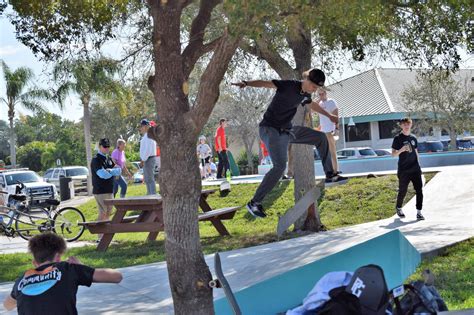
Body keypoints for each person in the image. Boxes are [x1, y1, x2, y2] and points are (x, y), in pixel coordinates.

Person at [232, 68, 347, 218]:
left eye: (317, 88)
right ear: (306, 80)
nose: (314, 90)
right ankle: (254, 202)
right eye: (313, 86)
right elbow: (265, 84)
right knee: (280, 166)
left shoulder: (305, 95)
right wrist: (246, 83)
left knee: (320, 138)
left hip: (287, 130)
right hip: (270, 129)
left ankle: (330, 174)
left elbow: (311, 104)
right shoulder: (288, 85)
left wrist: (329, 116)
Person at [3, 232, 122, 315]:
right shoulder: (68, 269)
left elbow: (8, 306)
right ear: (58, 257)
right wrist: (82, 267)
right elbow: (116, 276)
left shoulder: (22, 280)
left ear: (35, 262)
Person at [391, 118, 424, 220]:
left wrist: (419, 166)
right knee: (403, 190)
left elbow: (416, 153)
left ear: (411, 125)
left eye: (408, 124)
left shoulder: (413, 138)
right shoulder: (397, 138)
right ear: (401, 126)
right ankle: (399, 207)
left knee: (419, 190)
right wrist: (401, 149)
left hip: (415, 169)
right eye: (404, 124)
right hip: (404, 170)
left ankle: (419, 212)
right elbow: (393, 154)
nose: (406, 126)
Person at [91, 138, 121, 242]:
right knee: (102, 213)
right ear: (99, 146)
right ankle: (100, 238)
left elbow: (119, 170)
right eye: (105, 146)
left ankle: (106, 237)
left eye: (108, 146)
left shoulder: (109, 159)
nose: (107, 148)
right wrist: (112, 172)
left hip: (110, 190)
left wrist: (110, 171)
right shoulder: (96, 159)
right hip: (100, 191)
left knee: (108, 213)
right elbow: (102, 175)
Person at [317, 89, 340, 174]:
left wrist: (337, 128)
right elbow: (312, 110)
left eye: (322, 94)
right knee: (325, 152)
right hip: (322, 131)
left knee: (332, 151)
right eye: (319, 94)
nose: (321, 95)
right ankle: (329, 170)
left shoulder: (331, 102)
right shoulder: (319, 104)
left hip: (330, 129)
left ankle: (336, 169)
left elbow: (336, 115)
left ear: (326, 93)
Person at [139, 119, 157, 195]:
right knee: (147, 179)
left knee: (149, 179)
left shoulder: (149, 136)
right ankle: (150, 194)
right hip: (147, 159)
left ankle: (152, 195)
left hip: (148, 159)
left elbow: (147, 150)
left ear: (146, 126)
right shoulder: (147, 136)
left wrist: (143, 160)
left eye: (142, 126)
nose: (141, 128)